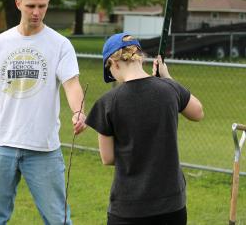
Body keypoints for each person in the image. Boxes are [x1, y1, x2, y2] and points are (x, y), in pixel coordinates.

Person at [0, 0, 86, 224]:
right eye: (30, 6)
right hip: (3, 144)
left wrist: (79, 111)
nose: (36, 12)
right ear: (18, 4)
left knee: (58, 218)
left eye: (42, 6)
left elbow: (72, 83)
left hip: (43, 149)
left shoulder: (60, 44)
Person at [85, 33, 204, 225]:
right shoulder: (169, 89)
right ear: (140, 59)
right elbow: (198, 112)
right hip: (172, 205)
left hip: (128, 207)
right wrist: (168, 78)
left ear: (114, 64)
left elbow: (108, 158)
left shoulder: (107, 103)